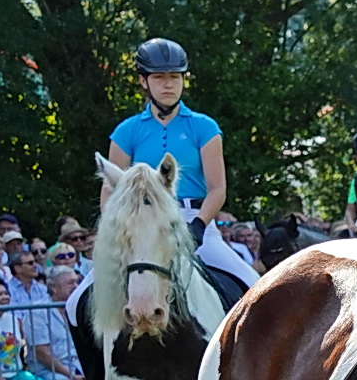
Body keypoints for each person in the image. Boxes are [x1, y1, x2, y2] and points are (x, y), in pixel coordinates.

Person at [104, 37, 257, 291]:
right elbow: (110, 190)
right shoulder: (126, 132)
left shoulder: (204, 127)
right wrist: (118, 227)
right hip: (142, 223)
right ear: (144, 81)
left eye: (175, 77)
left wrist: (198, 225)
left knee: (255, 286)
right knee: (79, 298)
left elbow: (217, 188)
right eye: (159, 77)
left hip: (194, 220)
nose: (168, 84)